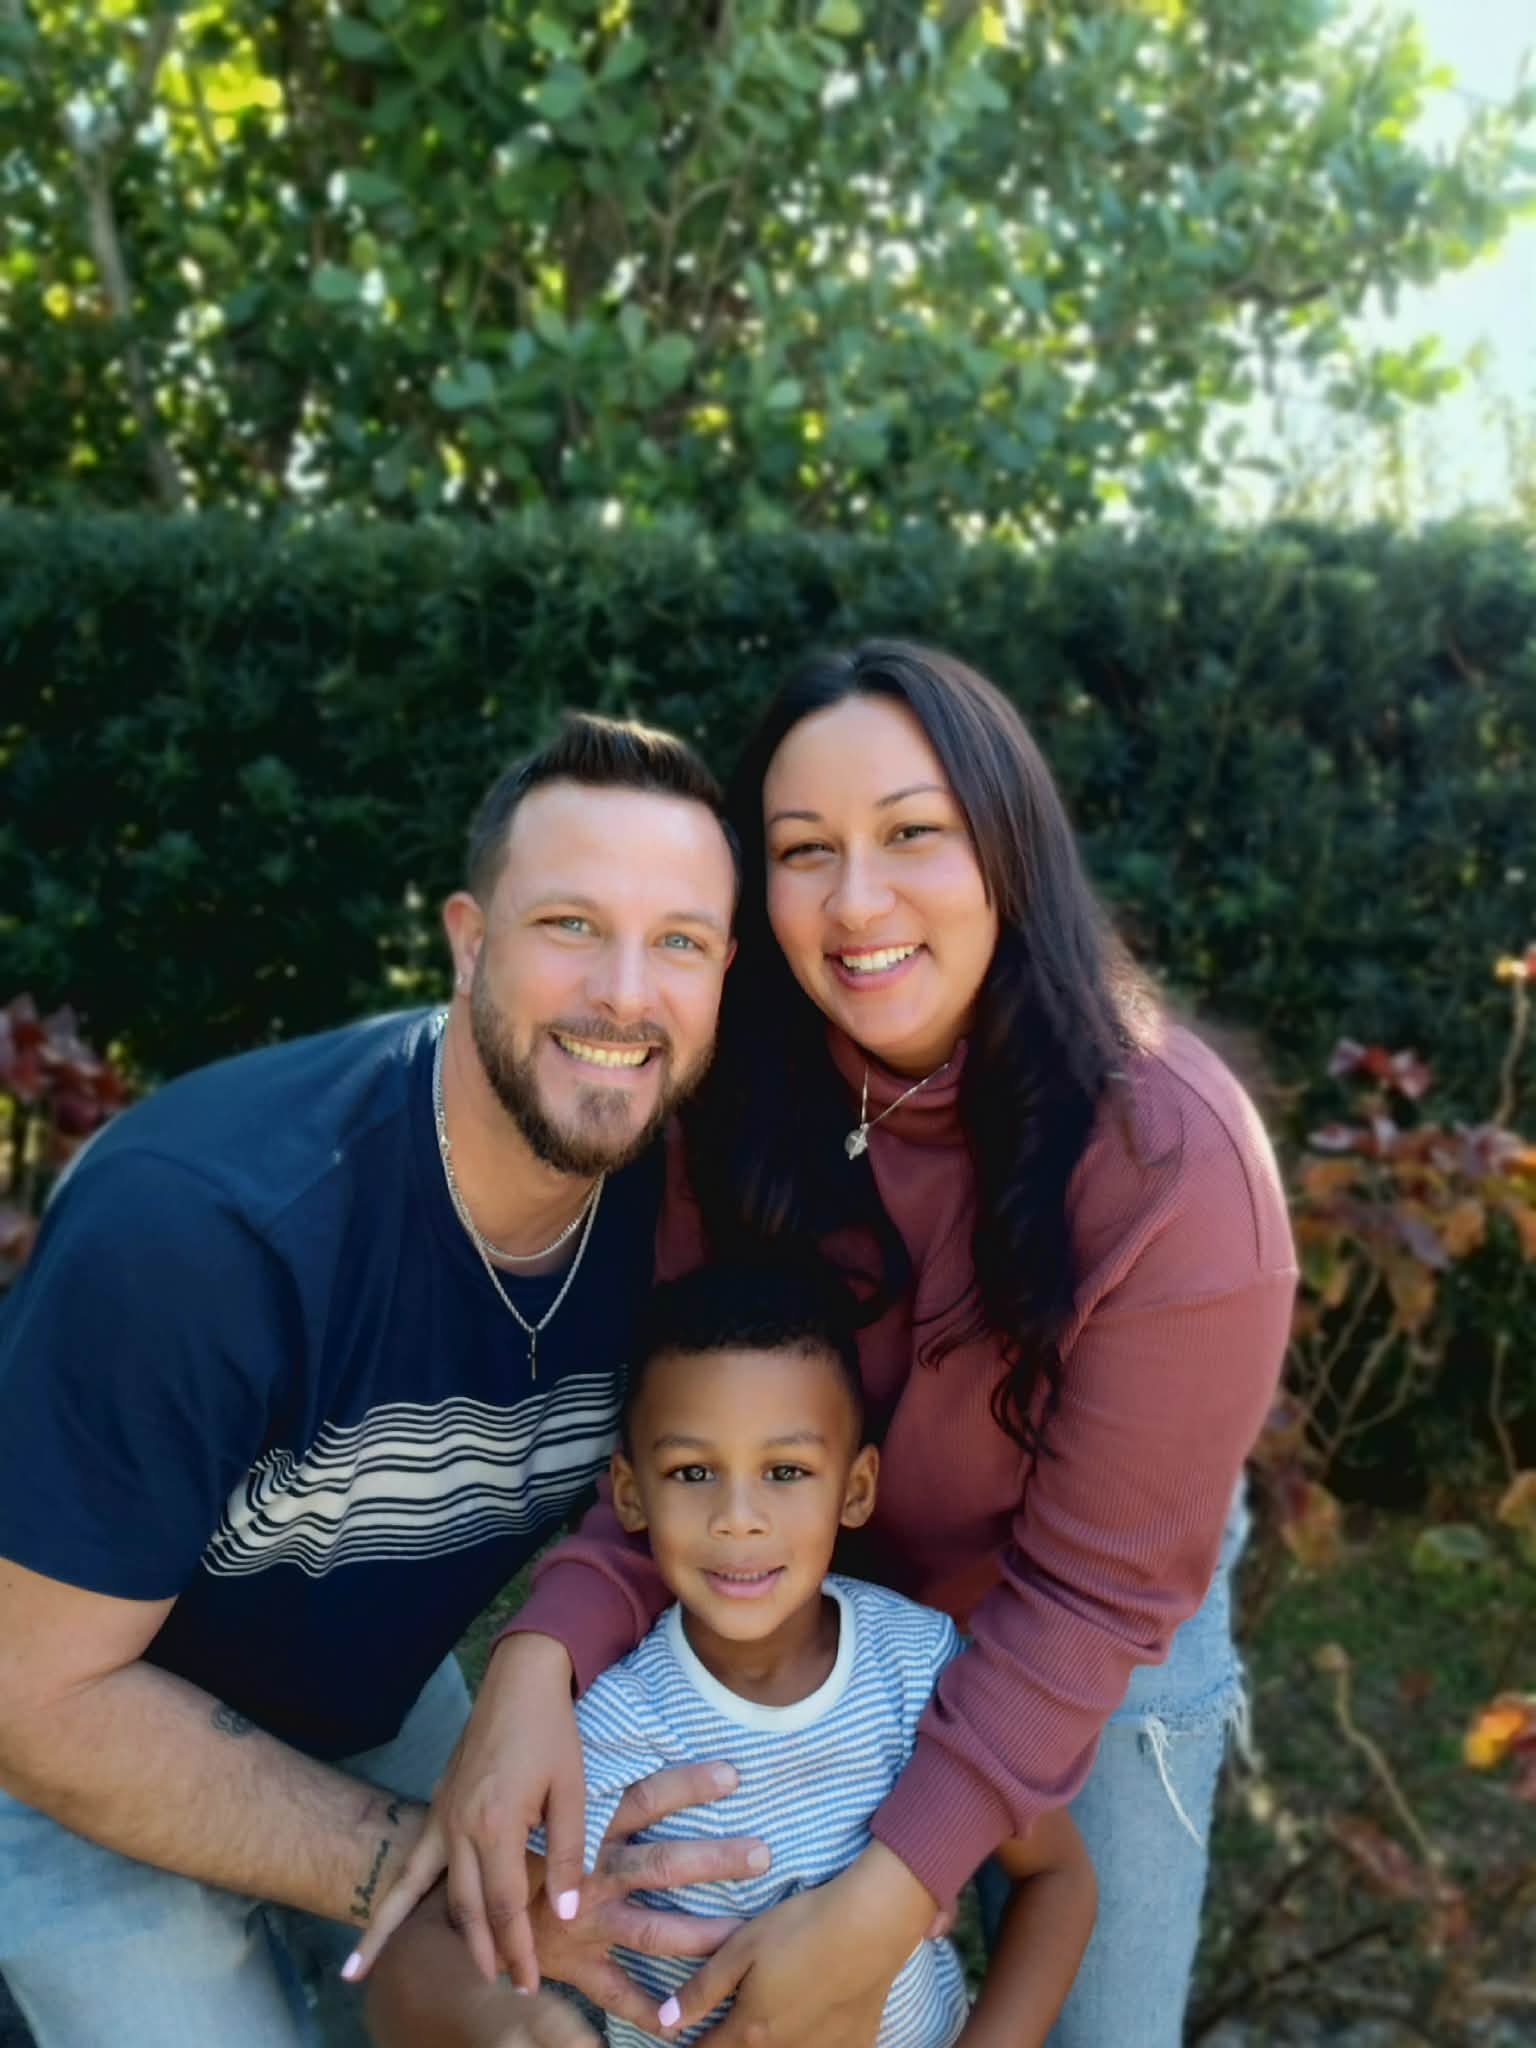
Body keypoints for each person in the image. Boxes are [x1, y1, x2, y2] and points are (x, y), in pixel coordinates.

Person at [359, 641, 1298, 2048]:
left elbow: (1093, 1598)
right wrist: (536, 1661)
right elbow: (685, 1434)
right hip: (804, 1572)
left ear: (1010, 846)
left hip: (1087, 1613)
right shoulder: (735, 1087)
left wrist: (885, 1906)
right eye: (805, 850)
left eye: (913, 833)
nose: (857, 902)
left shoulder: (1176, 1161)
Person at [0, 714, 766, 2048]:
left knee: (564, 2023)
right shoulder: (200, 1235)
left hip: (366, 1700)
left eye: (681, 942)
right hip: (69, 1732)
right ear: (470, 941)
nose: (626, 992)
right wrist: (430, 1866)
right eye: (571, 924)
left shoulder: (685, 1203)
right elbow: (31, 1693)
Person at [365, 1256, 1096, 2048]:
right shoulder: (607, 1734)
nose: (738, 1516)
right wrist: (509, 2020)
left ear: (856, 1489)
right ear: (631, 1493)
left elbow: (1057, 1878)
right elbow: (459, 1934)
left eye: (785, 1470)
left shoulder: (919, 1666)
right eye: (693, 1472)